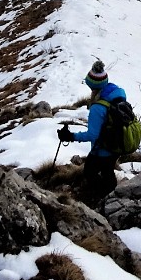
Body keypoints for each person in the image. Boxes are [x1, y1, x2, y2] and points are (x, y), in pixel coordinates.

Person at [57, 60, 124, 205]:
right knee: (108, 172)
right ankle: (112, 196)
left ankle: (101, 200)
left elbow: (93, 135)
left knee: (89, 172)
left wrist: (71, 136)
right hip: (116, 145)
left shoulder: (97, 108)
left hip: (103, 149)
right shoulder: (115, 93)